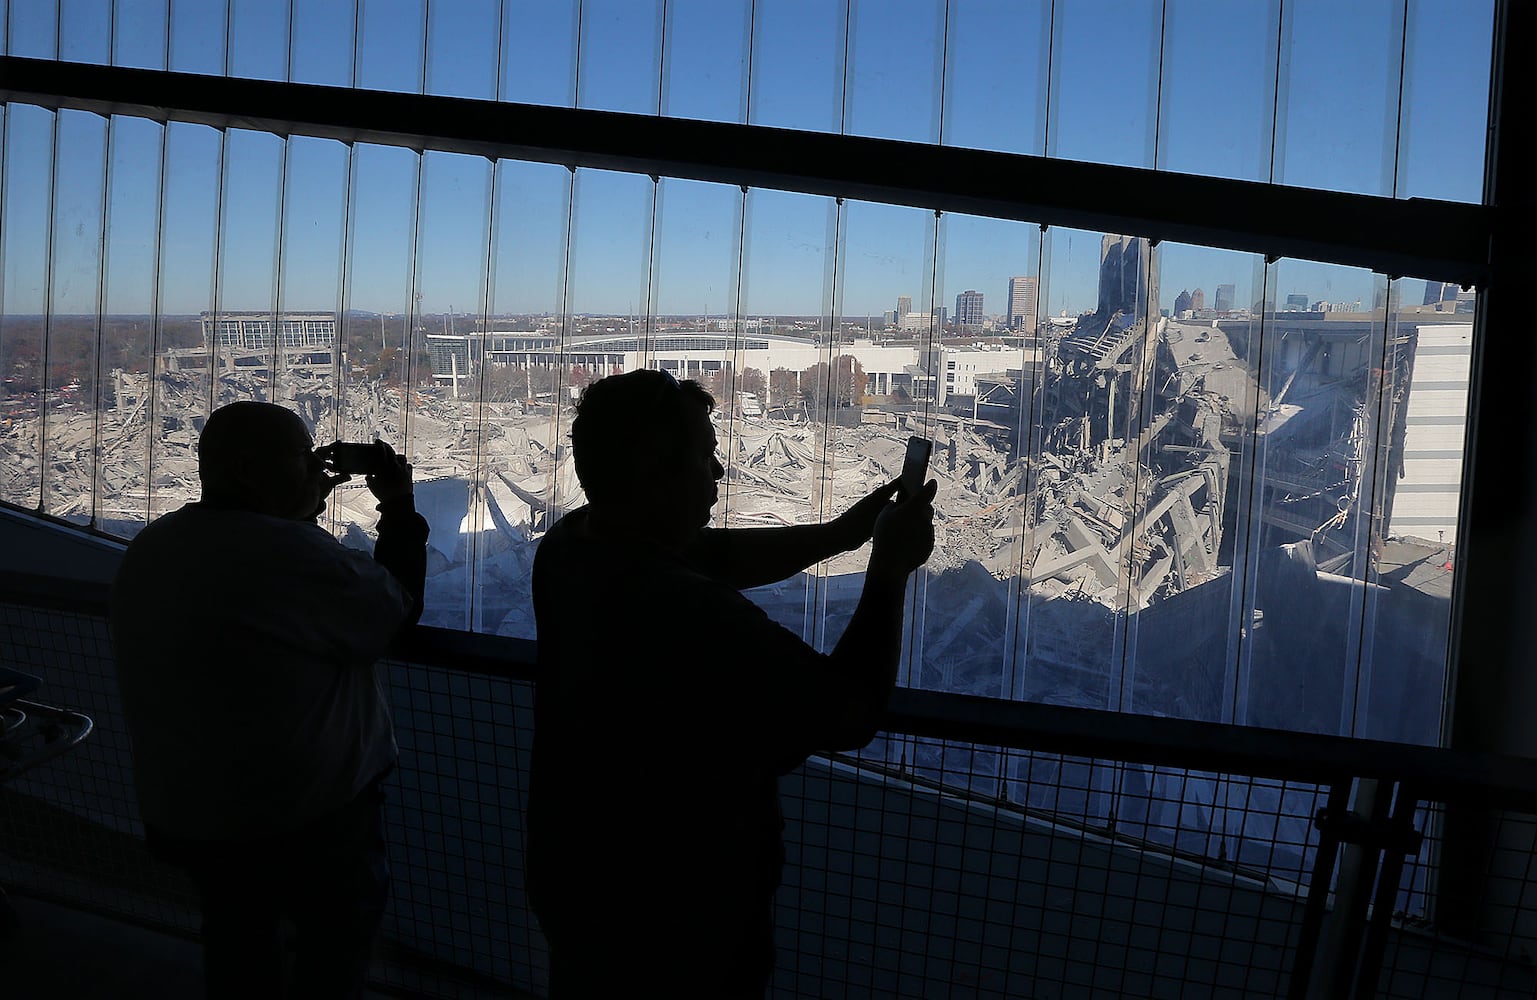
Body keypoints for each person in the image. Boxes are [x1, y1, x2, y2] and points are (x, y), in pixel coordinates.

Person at [528, 368, 936, 998]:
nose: (718, 473)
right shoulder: (693, 613)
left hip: (583, 882)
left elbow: (710, 554)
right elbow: (850, 710)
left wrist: (843, 535)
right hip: (687, 920)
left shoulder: (571, 547)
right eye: (705, 455)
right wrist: (887, 568)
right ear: (652, 471)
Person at [110, 401, 429, 1000]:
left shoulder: (156, 547)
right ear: (251, 469)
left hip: (199, 812)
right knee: (331, 953)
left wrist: (300, 506)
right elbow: (395, 612)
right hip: (306, 818)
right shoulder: (293, 557)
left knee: (239, 947)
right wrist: (399, 509)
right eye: (303, 459)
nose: (317, 469)